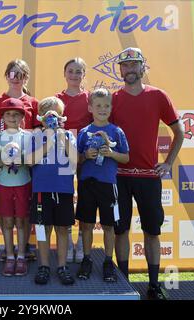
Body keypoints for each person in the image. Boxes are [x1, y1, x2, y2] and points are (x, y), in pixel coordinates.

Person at [110, 47, 184, 299]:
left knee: (152, 232)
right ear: (120, 69)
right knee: (120, 230)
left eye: (133, 64)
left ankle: (154, 285)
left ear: (143, 67)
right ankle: (124, 283)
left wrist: (168, 162)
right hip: (118, 176)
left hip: (149, 177)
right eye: (125, 65)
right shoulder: (113, 99)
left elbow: (179, 131)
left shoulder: (158, 96)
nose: (129, 69)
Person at [75, 88, 129, 282]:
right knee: (86, 225)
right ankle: (87, 259)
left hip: (108, 184)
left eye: (106, 105)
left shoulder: (116, 131)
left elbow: (126, 157)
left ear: (111, 107)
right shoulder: (84, 132)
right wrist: (85, 156)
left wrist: (111, 154)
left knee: (109, 226)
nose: (102, 109)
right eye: (98, 105)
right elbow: (76, 158)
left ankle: (108, 261)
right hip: (87, 184)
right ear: (90, 107)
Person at [0, 59, 39, 262]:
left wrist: (25, 156)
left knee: (25, 210)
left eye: (21, 74)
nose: (16, 78)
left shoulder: (33, 102)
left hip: (25, 163)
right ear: (6, 76)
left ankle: (23, 247)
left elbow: (36, 134)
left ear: (26, 78)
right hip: (3, 165)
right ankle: (9, 251)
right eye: (12, 74)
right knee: (6, 209)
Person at [26, 97, 77, 285]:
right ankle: (44, 266)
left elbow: (74, 161)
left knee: (62, 229)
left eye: (56, 114)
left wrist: (61, 137)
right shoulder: (36, 136)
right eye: (47, 114)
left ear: (62, 117)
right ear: (41, 118)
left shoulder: (69, 135)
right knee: (43, 229)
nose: (52, 119)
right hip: (42, 190)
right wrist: (48, 143)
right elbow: (30, 161)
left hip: (63, 190)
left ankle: (62, 266)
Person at [56, 57, 93, 263]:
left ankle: (81, 241)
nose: (74, 75)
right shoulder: (57, 99)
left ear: (83, 75)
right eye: (71, 71)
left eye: (78, 72)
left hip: (87, 154)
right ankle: (67, 241)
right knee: (66, 196)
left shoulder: (90, 98)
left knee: (86, 197)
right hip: (64, 154)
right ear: (65, 73)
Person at [0, 98, 32, 276]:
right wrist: (2, 160)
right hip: (4, 183)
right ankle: (9, 256)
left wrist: (21, 158)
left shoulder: (28, 136)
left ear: (22, 116)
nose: (12, 117)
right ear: (3, 117)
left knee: (22, 221)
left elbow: (32, 161)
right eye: (8, 114)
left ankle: (21, 256)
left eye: (16, 114)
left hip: (23, 183)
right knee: (7, 221)